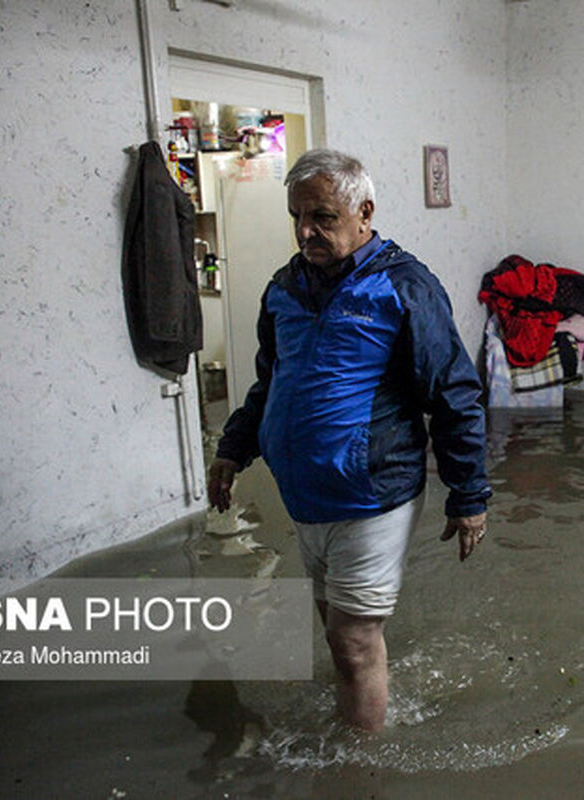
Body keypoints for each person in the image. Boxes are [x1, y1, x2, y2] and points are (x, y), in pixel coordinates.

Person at [207, 148, 491, 732]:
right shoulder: (284, 289)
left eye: (323, 217)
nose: (306, 231)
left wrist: (469, 496)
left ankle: (361, 772)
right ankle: (364, 716)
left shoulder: (403, 288)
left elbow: (455, 393)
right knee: (338, 634)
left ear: (365, 211)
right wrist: (233, 448)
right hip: (306, 497)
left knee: (353, 640)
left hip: (373, 494)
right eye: (298, 217)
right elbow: (271, 382)